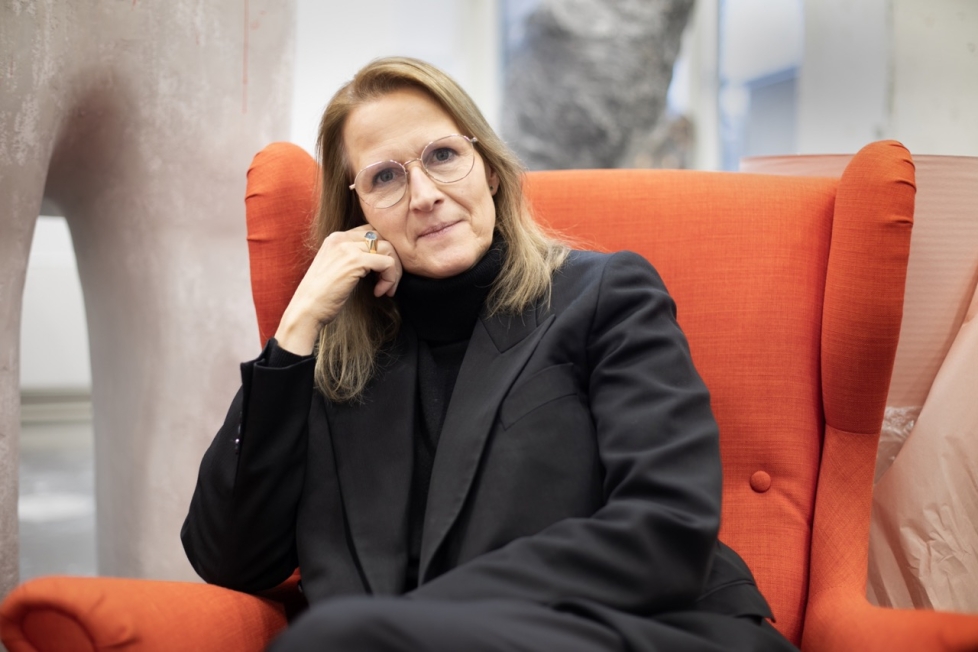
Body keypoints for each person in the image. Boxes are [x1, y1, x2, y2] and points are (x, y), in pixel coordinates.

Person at [181, 56, 796, 652]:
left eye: (443, 156)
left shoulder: (604, 296)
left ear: (490, 172)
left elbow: (666, 525)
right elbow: (229, 558)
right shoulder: (338, 365)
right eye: (385, 177)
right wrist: (297, 329)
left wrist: (410, 623)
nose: (424, 194)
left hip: (642, 628)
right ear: (357, 216)